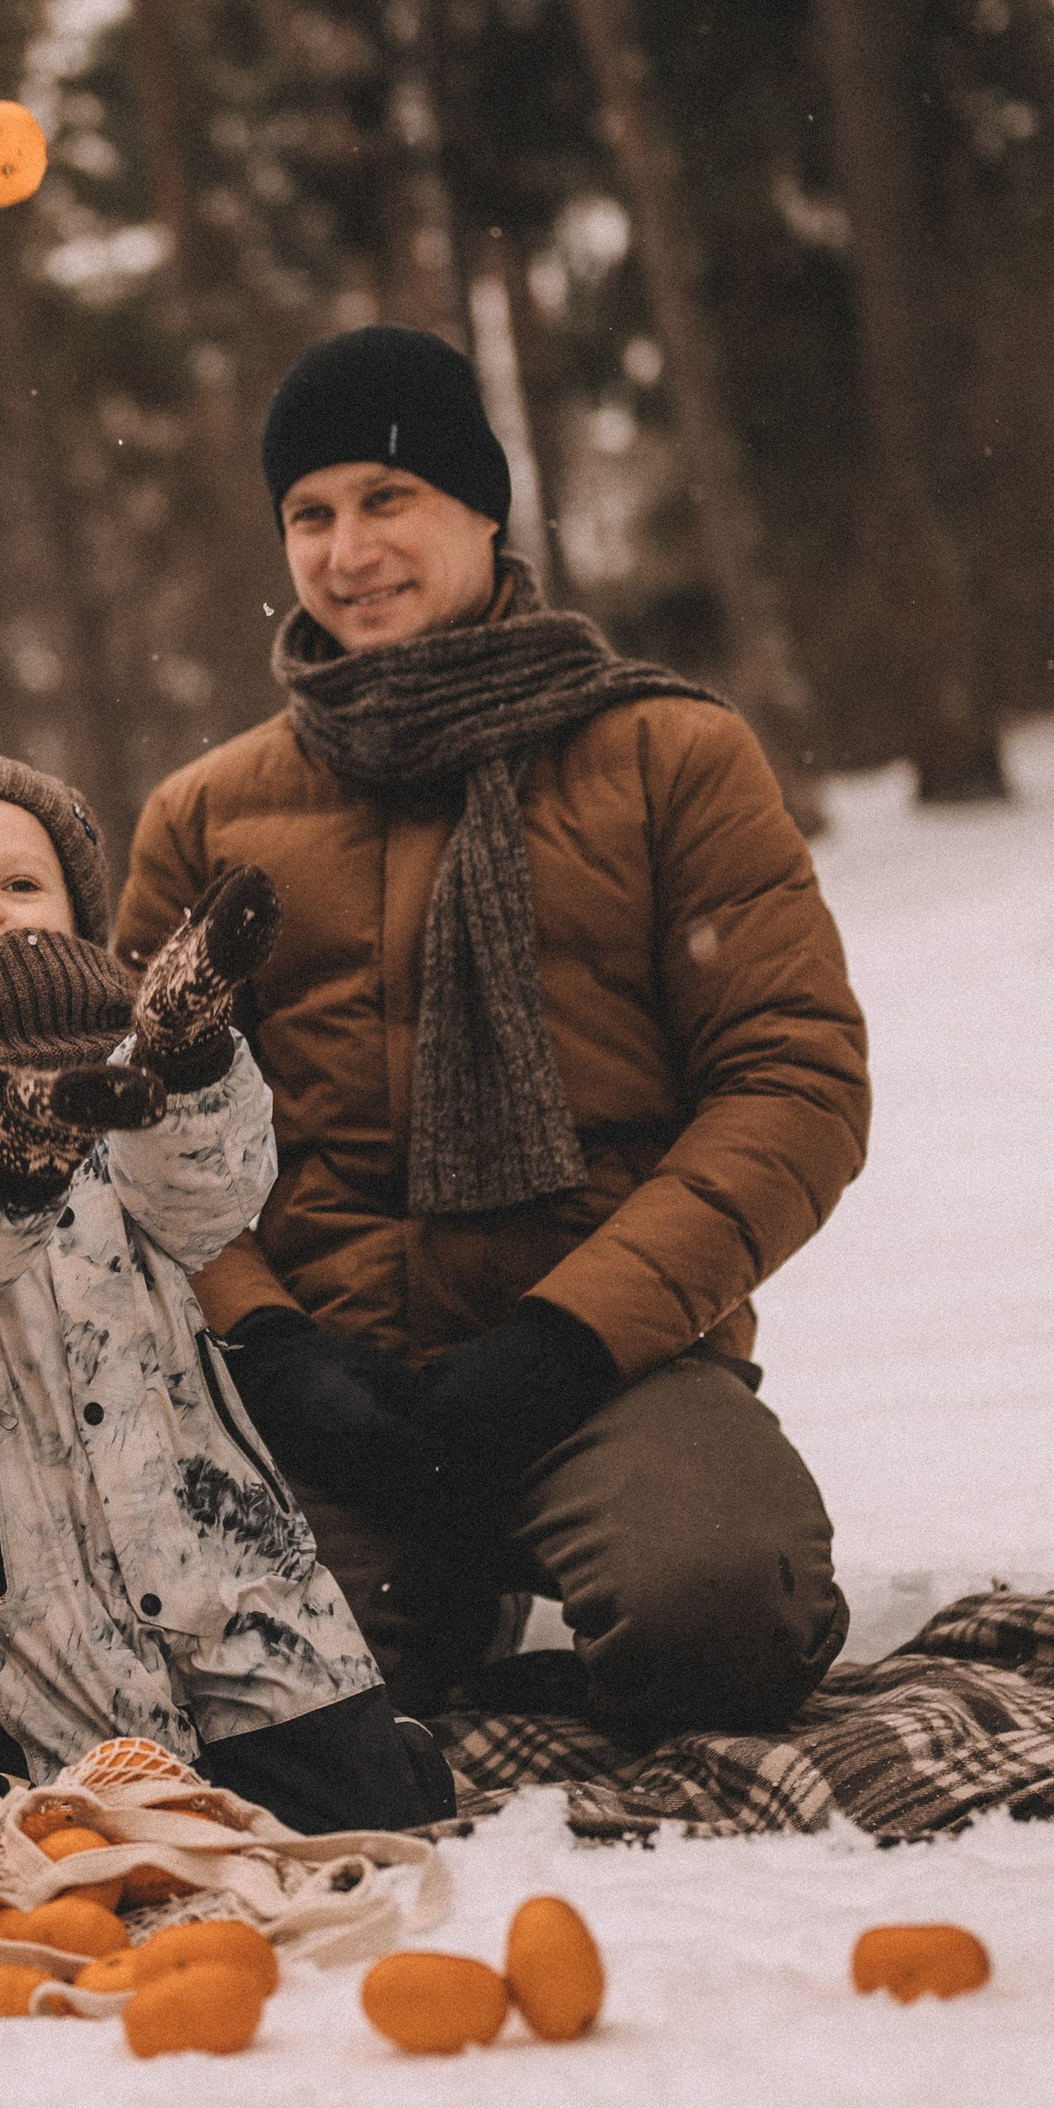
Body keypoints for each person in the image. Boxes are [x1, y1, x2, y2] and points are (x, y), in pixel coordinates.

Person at [115, 323, 871, 1747]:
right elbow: (140, 1128)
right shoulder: (206, 818)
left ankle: (558, 1546)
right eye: (310, 514)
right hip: (329, 1391)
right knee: (252, 1710)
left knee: (723, 1614)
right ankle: (433, 1588)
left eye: (386, 497)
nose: (349, 550)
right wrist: (272, 1348)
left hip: (609, 1361)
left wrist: (566, 1341)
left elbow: (795, 1083)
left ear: (480, 505)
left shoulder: (669, 757)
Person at [0, 755, 446, 1833]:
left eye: (19, 884)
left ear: (73, 920)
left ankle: (373, 1754)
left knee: (356, 1805)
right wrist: (7, 1155)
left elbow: (207, 1200)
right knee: (118, 1824)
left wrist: (185, 1063)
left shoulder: (122, 1059)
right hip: (8, 1555)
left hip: (201, 1511)